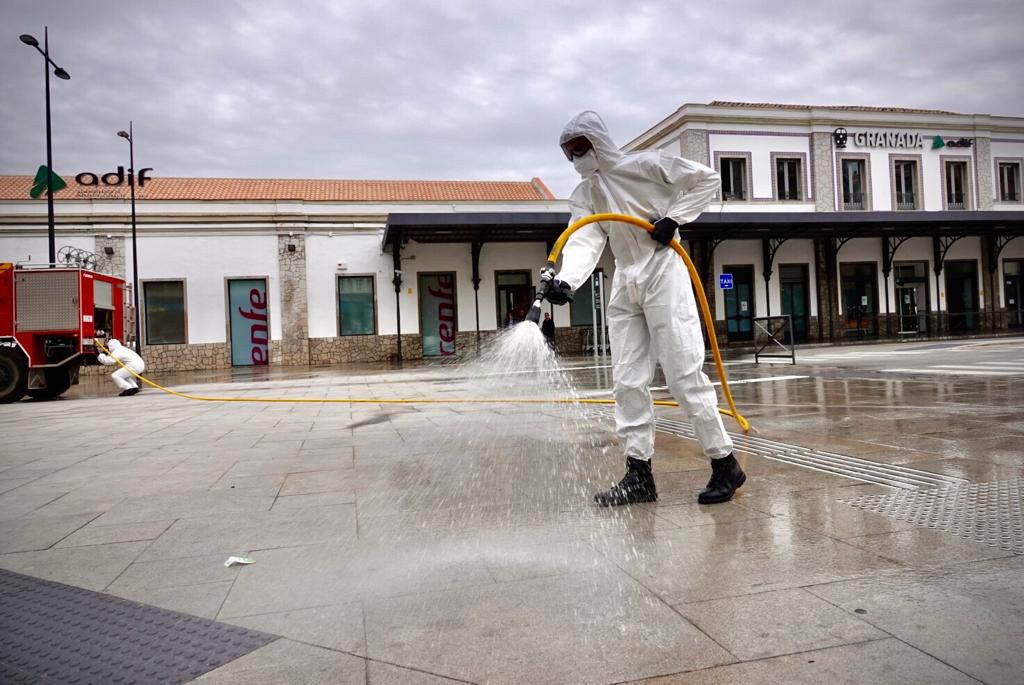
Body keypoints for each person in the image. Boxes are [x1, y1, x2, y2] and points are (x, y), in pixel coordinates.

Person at [541, 110, 745, 506]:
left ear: (597, 141)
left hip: (663, 267)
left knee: (683, 372)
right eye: (569, 154)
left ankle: (725, 463)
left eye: (580, 149)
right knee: (628, 381)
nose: (576, 159)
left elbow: (707, 179)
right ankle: (639, 475)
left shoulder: (646, 166)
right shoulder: (586, 194)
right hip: (625, 278)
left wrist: (674, 218)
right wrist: (568, 281)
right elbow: (585, 238)